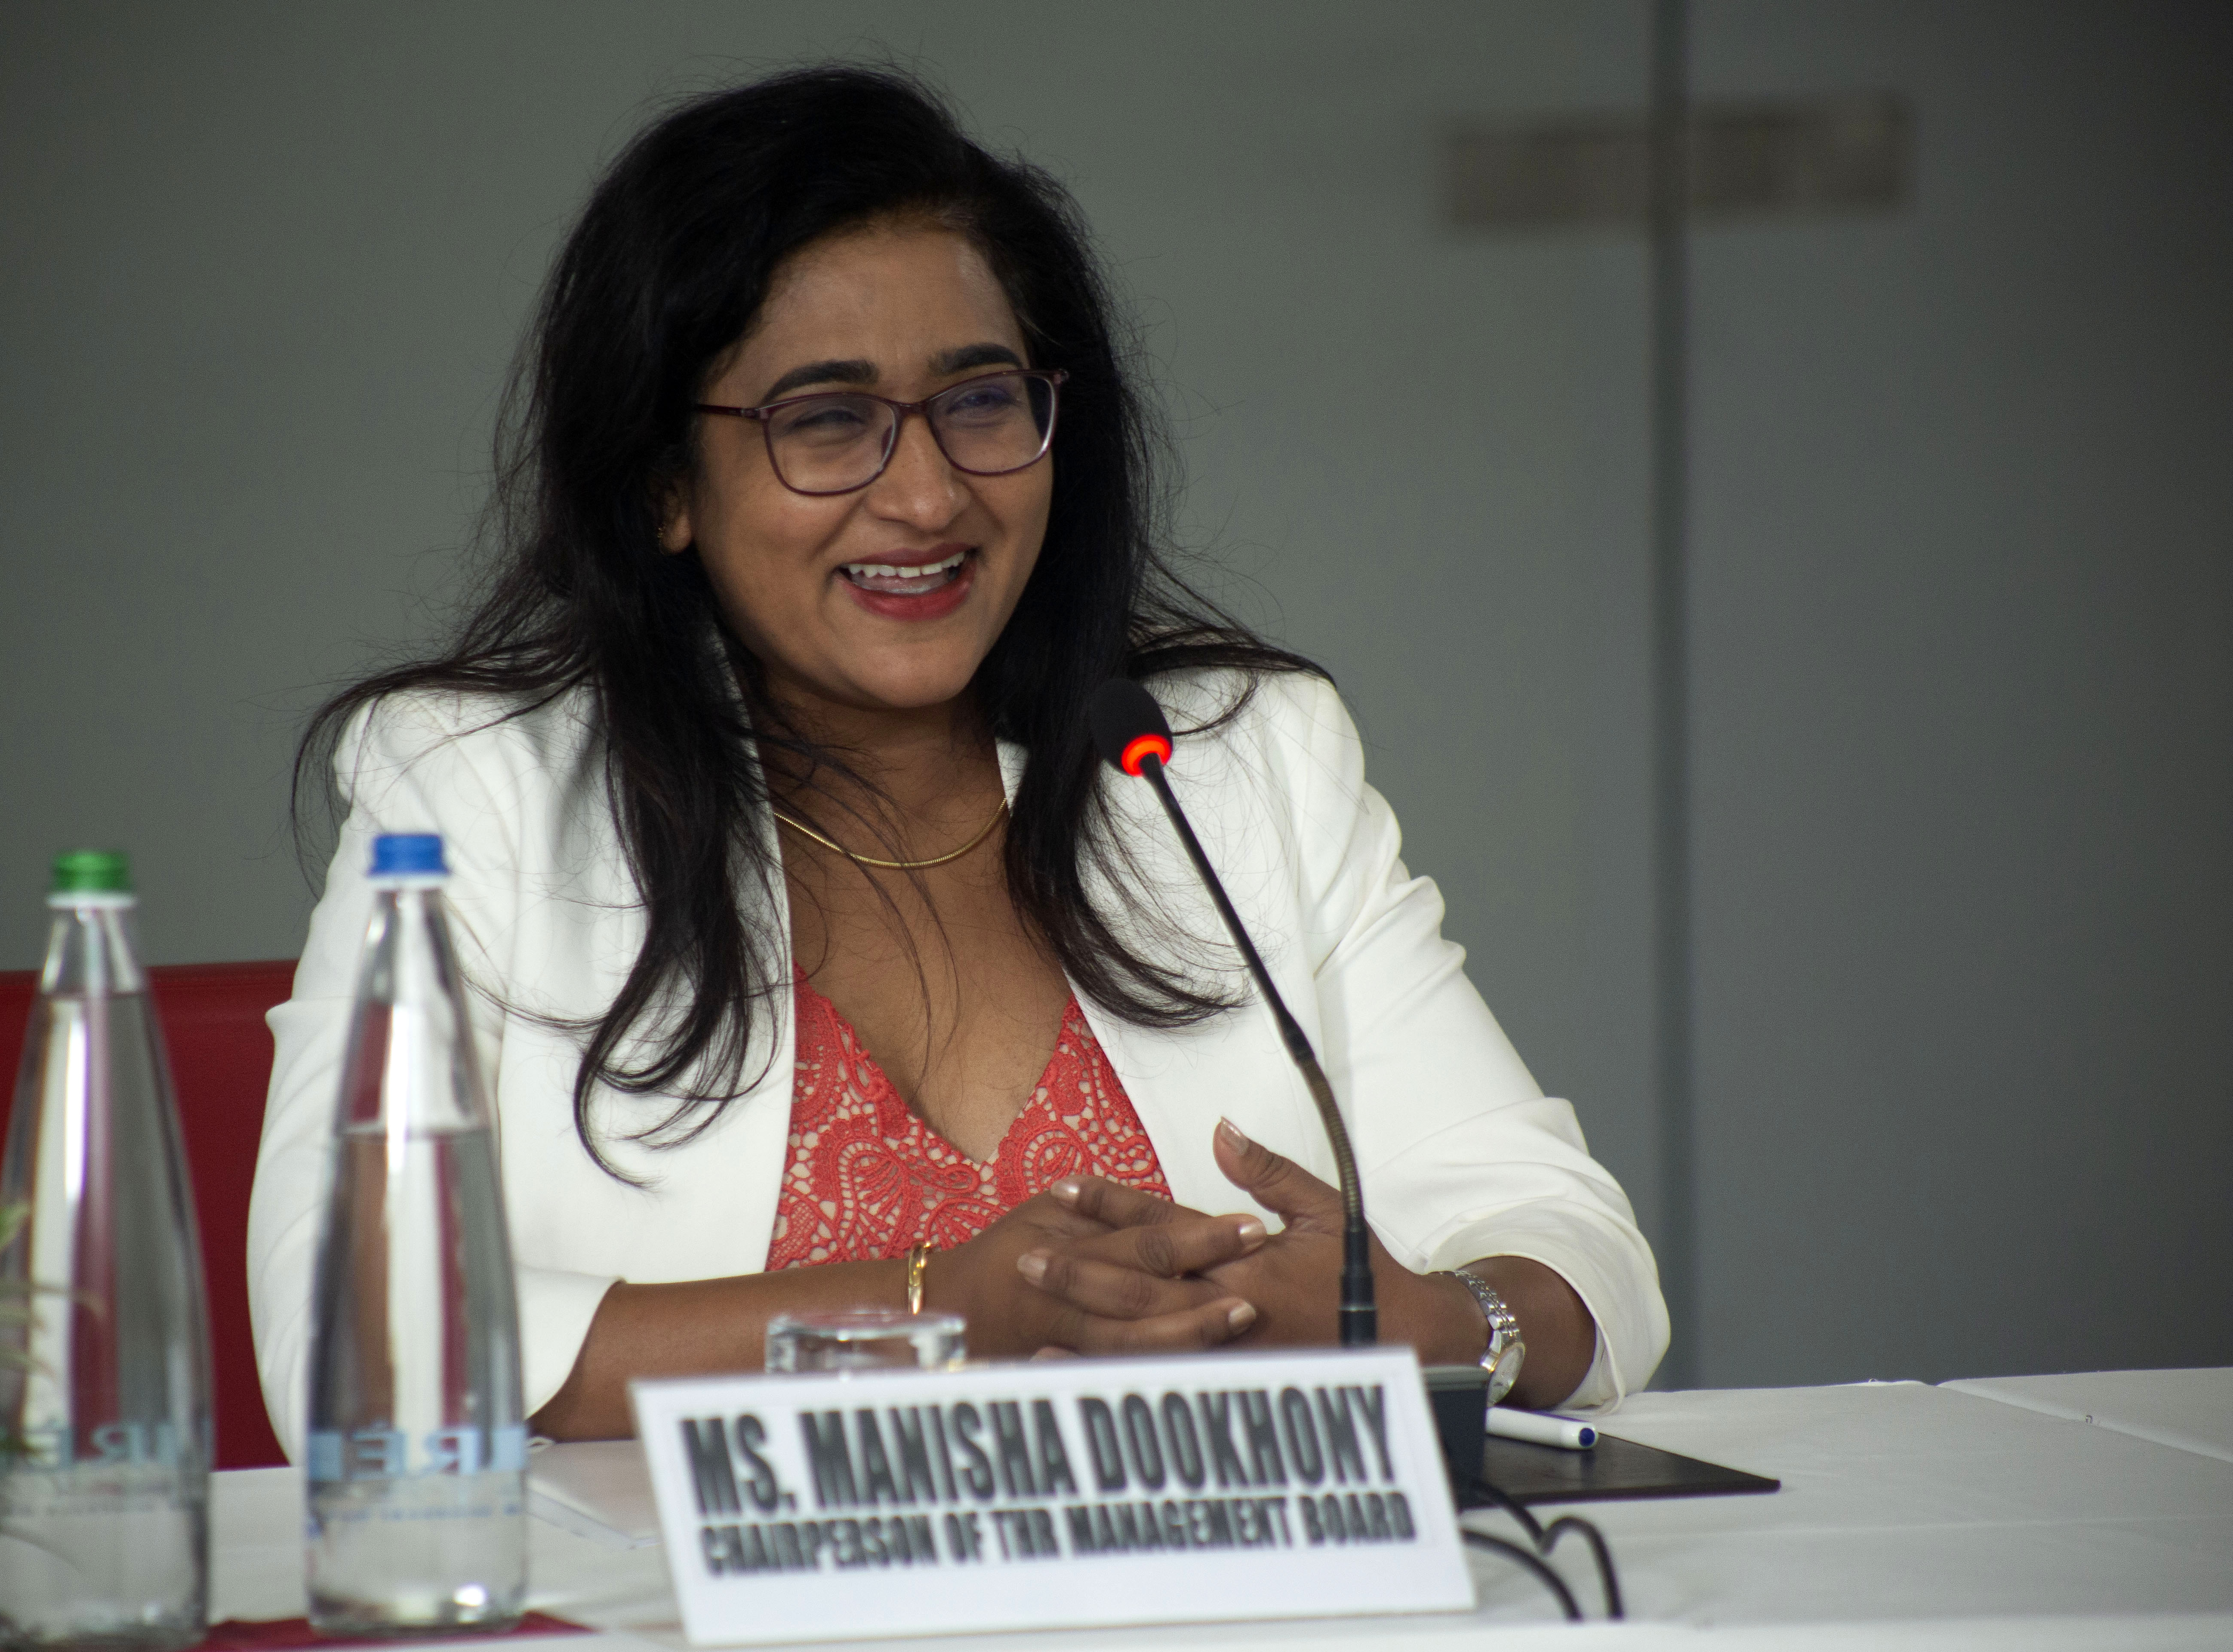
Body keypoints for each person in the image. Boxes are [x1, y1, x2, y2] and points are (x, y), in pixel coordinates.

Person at [247, 65, 1667, 1453]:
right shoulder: (475, 792)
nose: (928, 496)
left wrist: (1427, 1325)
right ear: (665, 482)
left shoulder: (1227, 760)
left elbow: (1576, 1248)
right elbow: (347, 1330)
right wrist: (938, 1316)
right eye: (827, 420)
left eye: (981, 401)